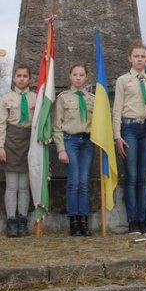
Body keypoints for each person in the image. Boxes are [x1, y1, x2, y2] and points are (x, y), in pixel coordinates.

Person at [112, 40, 146, 235]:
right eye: (136, 56)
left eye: (142, 56)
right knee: (132, 176)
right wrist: (117, 136)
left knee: (144, 178)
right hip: (128, 128)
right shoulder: (123, 80)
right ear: (130, 58)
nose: (139, 59)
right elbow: (117, 109)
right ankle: (132, 221)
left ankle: (143, 220)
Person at [0, 64, 36, 237]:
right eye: (18, 76)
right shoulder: (6, 98)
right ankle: (11, 221)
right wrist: (0, 146)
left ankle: (22, 221)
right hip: (10, 141)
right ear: (13, 78)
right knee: (12, 186)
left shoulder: (35, 97)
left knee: (24, 186)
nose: (21, 79)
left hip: (29, 142)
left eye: (25, 76)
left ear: (30, 79)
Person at [52, 63, 94, 236]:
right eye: (75, 74)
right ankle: (73, 221)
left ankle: (83, 220)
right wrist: (61, 149)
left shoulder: (93, 98)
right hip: (71, 141)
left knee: (84, 182)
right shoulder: (63, 97)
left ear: (86, 77)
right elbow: (57, 125)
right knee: (74, 182)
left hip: (87, 142)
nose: (78, 77)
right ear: (70, 76)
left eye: (81, 74)